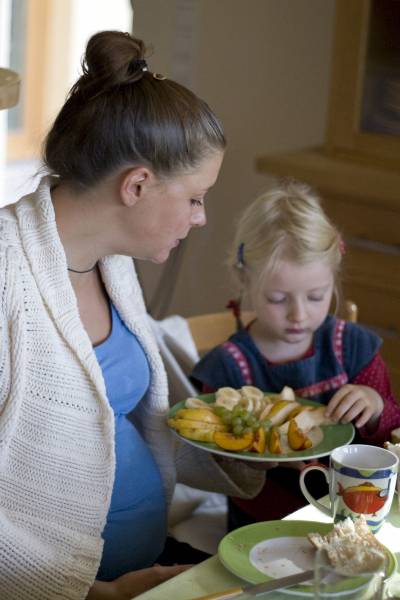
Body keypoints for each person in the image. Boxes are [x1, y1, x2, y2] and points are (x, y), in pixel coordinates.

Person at [0, 31, 266, 600]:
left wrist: (262, 439)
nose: (199, 218)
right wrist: (105, 594)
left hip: (151, 565)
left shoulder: (110, 263)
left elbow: (140, 410)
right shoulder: (6, 277)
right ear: (138, 185)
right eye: (195, 197)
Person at [191, 180, 400, 531]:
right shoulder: (228, 368)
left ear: (333, 280)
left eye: (316, 296)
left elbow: (391, 434)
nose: (298, 315)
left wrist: (374, 404)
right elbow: (213, 462)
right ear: (244, 281)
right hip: (262, 522)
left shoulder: (350, 348)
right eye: (278, 299)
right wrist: (254, 459)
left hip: (349, 514)